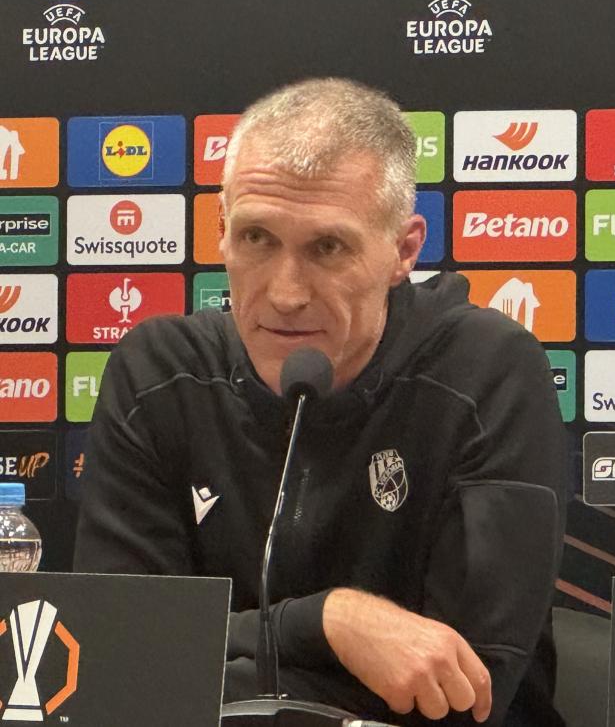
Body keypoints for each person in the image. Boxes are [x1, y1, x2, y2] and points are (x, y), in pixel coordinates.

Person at [74, 78, 569, 727]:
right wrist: (331, 623)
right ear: (222, 232)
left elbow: (462, 694)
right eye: (257, 239)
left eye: (327, 248)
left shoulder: (488, 372)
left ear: (404, 250)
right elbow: (115, 657)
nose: (285, 293)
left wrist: (218, 660)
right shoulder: (158, 373)